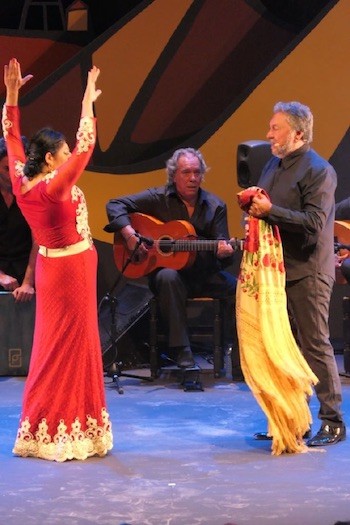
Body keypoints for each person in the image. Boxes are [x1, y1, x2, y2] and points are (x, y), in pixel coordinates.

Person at [2, 58, 113, 461]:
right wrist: (87, 102)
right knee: (74, 345)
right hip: (72, 270)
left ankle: (45, 427)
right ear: (50, 159)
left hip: (51, 268)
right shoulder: (55, 188)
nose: (68, 156)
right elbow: (86, 148)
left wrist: (13, 97)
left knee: (50, 346)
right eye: (61, 152)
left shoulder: (21, 180)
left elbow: (12, 136)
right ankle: (70, 428)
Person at [246, 101, 345, 447]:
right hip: (276, 271)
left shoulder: (319, 170)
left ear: (298, 133)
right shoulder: (273, 164)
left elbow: (315, 224)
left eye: (276, 128)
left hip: (308, 271)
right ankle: (291, 421)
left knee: (314, 344)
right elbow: (268, 208)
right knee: (282, 346)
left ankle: (332, 421)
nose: (269, 134)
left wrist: (271, 211)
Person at [104, 147, 239, 371]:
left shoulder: (216, 206)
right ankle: (183, 353)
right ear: (174, 174)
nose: (193, 178)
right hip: (170, 279)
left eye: (197, 172)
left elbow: (222, 254)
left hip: (203, 275)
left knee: (240, 289)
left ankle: (237, 357)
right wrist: (129, 235)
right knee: (168, 276)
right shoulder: (157, 198)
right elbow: (114, 205)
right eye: (186, 172)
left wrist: (224, 253)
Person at [0, 136, 37, 302]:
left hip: (26, 270)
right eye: (5, 169)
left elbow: (39, 241)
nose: (11, 175)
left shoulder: (33, 195)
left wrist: (28, 282)